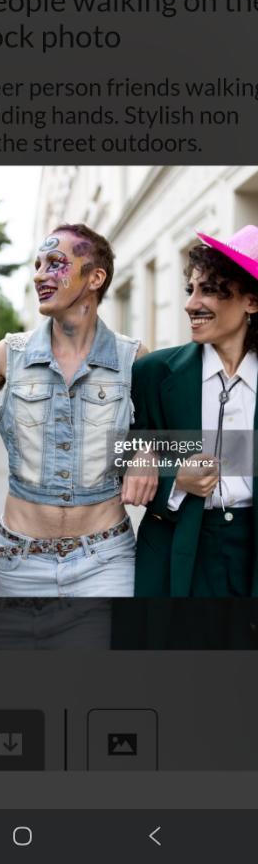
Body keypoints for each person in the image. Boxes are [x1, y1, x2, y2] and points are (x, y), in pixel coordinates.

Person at [0, 223, 155, 597]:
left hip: (106, 558)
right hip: (19, 561)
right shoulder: (11, 353)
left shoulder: (133, 358)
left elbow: (183, 438)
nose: (38, 275)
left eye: (54, 263)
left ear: (95, 277)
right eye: (37, 265)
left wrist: (149, 451)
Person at [132, 225, 258, 598]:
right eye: (191, 290)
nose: (190, 304)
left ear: (251, 301)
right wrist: (175, 480)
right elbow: (120, 458)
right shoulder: (153, 373)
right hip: (175, 548)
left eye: (209, 290)